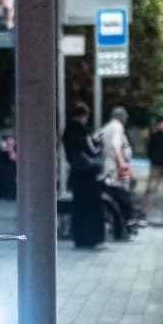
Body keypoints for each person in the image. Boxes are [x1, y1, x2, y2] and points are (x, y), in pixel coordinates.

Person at [62, 102, 105, 249]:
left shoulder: (67, 130)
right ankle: (91, 237)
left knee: (79, 206)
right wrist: (98, 145)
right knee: (92, 206)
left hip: (76, 174)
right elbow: (92, 150)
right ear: (84, 116)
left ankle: (80, 237)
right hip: (87, 174)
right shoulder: (83, 130)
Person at [97, 106, 139, 230]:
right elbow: (116, 146)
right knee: (122, 196)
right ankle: (124, 226)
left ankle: (116, 225)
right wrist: (122, 164)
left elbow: (96, 140)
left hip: (108, 165)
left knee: (113, 195)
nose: (126, 119)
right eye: (125, 116)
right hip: (115, 167)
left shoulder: (106, 127)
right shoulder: (117, 127)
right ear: (120, 117)